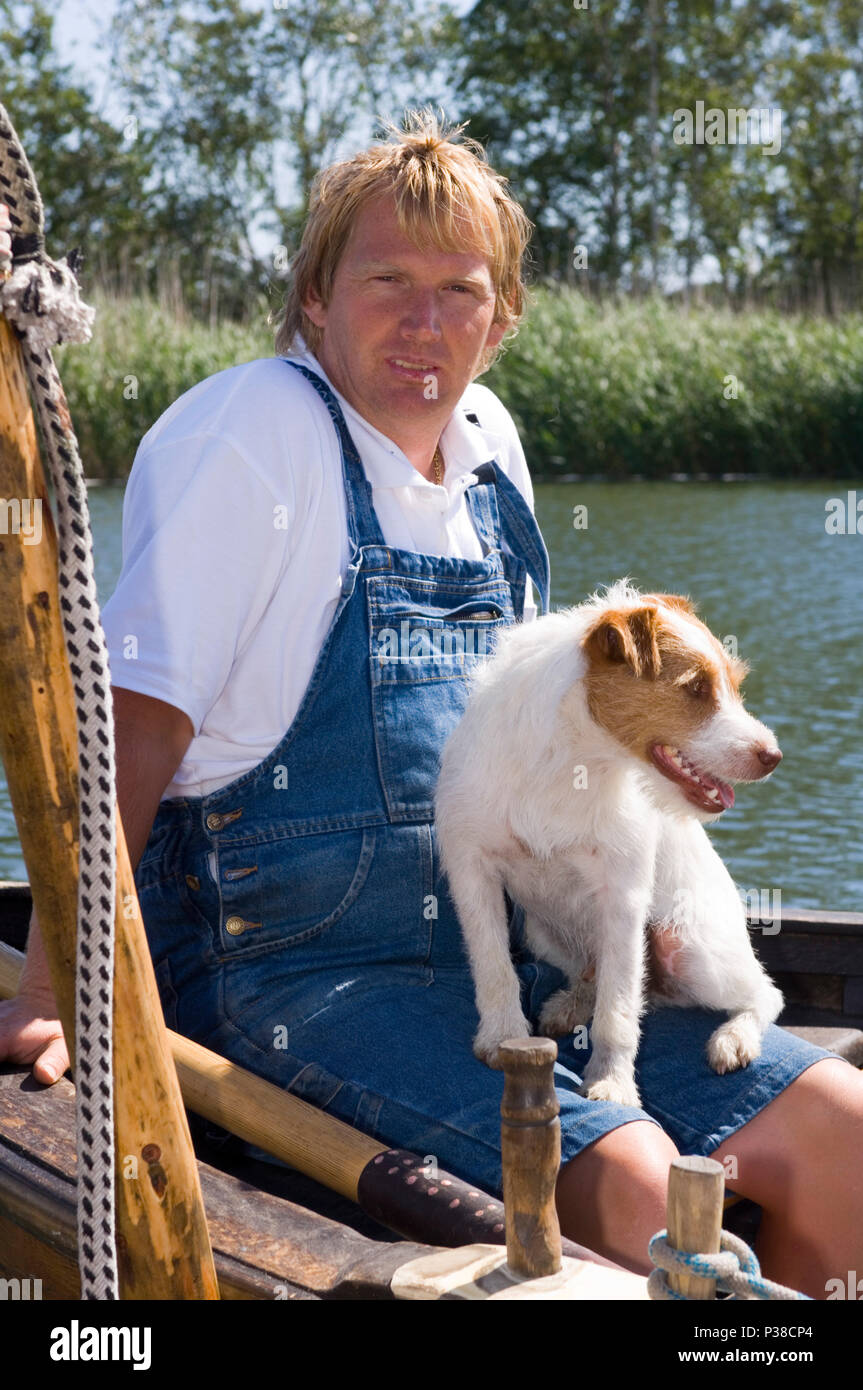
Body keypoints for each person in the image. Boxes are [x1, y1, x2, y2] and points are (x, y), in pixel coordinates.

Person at [1, 112, 861, 1298]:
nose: (424, 323)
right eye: (385, 281)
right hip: (284, 979)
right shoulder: (250, 437)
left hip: (491, 950)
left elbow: (560, 748)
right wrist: (58, 989)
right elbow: (125, 733)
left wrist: (647, 912)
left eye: (459, 291)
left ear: (501, 321)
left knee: (838, 1130)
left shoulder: (488, 447)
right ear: (313, 298)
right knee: (641, 1183)